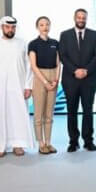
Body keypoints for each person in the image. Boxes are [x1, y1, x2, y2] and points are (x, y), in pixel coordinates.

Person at [0, 16, 34, 157]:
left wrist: (28, 86)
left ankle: (18, 144)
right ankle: (0, 146)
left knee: (18, 115)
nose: (10, 29)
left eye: (13, 27)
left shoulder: (22, 44)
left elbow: (29, 66)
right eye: (7, 27)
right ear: (2, 27)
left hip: (18, 87)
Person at [58, 8, 96, 152]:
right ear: (74, 18)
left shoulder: (94, 35)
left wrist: (86, 70)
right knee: (71, 111)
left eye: (84, 17)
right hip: (70, 79)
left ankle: (88, 141)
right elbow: (63, 55)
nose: (81, 20)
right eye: (79, 17)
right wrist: (75, 70)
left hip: (89, 79)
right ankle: (73, 141)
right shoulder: (65, 35)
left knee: (88, 110)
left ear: (86, 19)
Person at [28, 16, 61, 155]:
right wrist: (46, 82)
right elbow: (33, 66)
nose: (45, 27)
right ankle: (40, 143)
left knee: (49, 114)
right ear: (37, 27)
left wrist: (56, 80)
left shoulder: (55, 43)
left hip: (53, 77)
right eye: (41, 25)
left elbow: (58, 63)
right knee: (39, 114)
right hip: (39, 78)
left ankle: (48, 142)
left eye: (47, 24)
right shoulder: (33, 44)